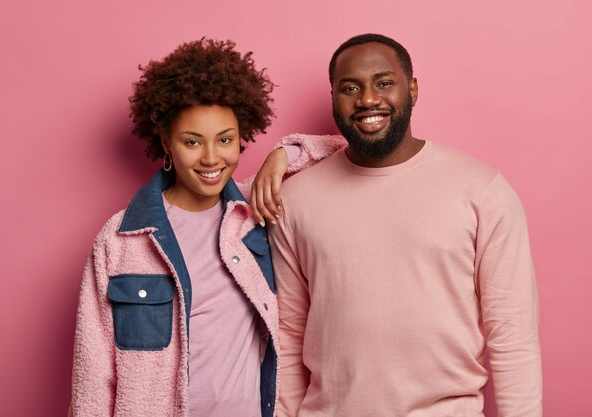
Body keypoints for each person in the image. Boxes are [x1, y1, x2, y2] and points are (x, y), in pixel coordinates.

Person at [269, 33, 542, 417]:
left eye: (384, 83)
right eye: (350, 87)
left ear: (412, 89)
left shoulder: (482, 191)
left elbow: (512, 335)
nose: (367, 99)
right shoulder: (294, 199)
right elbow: (288, 335)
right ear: (333, 98)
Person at [69, 38, 342, 417]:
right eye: (192, 142)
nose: (212, 157)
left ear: (242, 137)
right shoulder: (121, 239)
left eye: (226, 140)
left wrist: (281, 155)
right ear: (166, 141)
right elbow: (93, 373)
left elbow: (341, 146)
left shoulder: (251, 215)